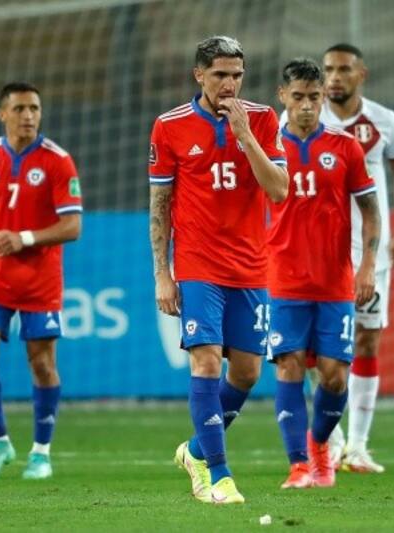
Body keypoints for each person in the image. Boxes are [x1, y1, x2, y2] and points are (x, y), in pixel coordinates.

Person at [149, 36, 288, 504]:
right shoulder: (169, 127)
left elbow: (279, 191)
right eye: (220, 75)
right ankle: (219, 476)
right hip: (198, 264)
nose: (229, 84)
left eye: (237, 75)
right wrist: (162, 274)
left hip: (251, 267)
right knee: (205, 359)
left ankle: (194, 450)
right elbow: (160, 204)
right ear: (199, 76)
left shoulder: (264, 120)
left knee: (246, 373)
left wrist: (246, 136)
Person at [0, 82, 83, 480]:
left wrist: (23, 238)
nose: (29, 115)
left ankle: (41, 452)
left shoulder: (58, 161)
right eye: (21, 108)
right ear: (2, 114)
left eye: (35, 108)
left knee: (42, 364)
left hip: (39, 281)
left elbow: (73, 226)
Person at [268, 58, 380, 489]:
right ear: (283, 97)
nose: (307, 107)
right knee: (289, 366)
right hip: (282, 278)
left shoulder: (346, 146)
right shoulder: (266, 148)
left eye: (314, 98)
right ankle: (300, 465)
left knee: (334, 375)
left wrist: (367, 266)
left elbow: (371, 212)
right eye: (298, 98)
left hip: (335, 281)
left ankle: (320, 446)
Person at [321, 43, 394, 473]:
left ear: (363, 74)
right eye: (328, 69)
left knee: (366, 340)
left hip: (368, 253)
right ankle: (331, 439)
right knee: (312, 350)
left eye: (343, 69)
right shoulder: (302, 117)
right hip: (316, 251)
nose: (334, 77)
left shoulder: (386, 122)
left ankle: (357, 445)